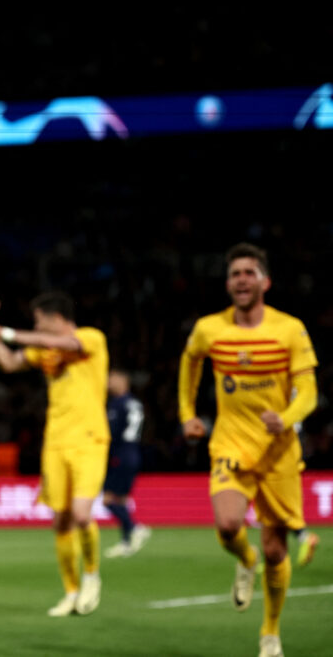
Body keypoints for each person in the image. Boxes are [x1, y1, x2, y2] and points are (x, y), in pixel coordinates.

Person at [179, 243, 317, 657]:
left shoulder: (289, 328)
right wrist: (187, 413)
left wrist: (288, 416)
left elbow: (309, 391)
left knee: (278, 549)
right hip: (231, 442)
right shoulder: (209, 328)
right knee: (227, 524)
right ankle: (244, 557)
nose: (241, 279)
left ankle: (270, 632)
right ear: (228, 283)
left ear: (264, 281)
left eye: (248, 272)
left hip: (278, 452)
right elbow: (189, 364)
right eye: (235, 273)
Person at [0, 292, 109, 617]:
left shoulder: (91, 338)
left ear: (53, 317)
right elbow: (9, 362)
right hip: (56, 442)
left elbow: (69, 344)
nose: (36, 325)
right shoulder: (44, 350)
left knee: (81, 514)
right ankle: (71, 592)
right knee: (60, 521)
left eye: (38, 320)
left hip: (90, 439)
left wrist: (6, 332)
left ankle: (91, 575)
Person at [102, 369, 151, 558]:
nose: (108, 382)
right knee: (121, 500)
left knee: (108, 499)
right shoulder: (135, 403)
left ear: (123, 380)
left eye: (111, 379)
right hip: (133, 452)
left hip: (120, 454)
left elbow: (112, 433)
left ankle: (135, 528)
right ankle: (126, 542)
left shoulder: (118, 404)